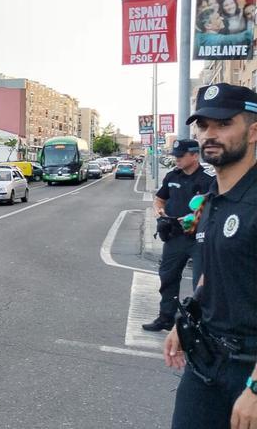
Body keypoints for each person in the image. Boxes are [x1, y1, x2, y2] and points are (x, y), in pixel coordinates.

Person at [164, 82, 257, 429]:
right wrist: (187, 315)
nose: (210, 134)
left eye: (223, 124)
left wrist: (255, 388)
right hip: (206, 360)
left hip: (249, 369)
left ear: (253, 132)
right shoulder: (212, 197)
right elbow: (215, 270)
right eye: (203, 126)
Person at [142, 138, 214, 332]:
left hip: (199, 238)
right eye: (176, 156)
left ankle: (201, 326)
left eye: (181, 156)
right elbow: (159, 199)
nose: (177, 160)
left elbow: (216, 206)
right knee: (167, 277)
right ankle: (166, 318)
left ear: (194, 154)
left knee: (202, 284)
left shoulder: (209, 178)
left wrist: (194, 216)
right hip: (175, 236)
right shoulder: (173, 176)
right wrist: (159, 212)